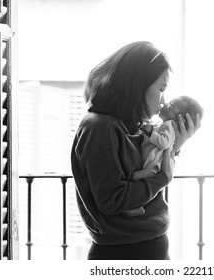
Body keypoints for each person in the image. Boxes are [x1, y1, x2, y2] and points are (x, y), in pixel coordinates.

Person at [71, 41, 201, 260]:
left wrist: (176, 144)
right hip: (125, 253)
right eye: (161, 89)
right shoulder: (100, 127)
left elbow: (144, 165)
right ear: (138, 84)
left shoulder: (127, 124)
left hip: (144, 247)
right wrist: (162, 179)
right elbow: (115, 200)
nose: (163, 100)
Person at [124, 96, 204, 216]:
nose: (164, 103)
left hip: (154, 166)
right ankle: (136, 205)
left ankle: (137, 205)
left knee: (135, 178)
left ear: (180, 118)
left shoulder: (169, 125)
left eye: (171, 106)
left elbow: (164, 143)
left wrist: (151, 133)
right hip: (153, 163)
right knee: (139, 181)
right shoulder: (163, 125)